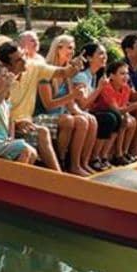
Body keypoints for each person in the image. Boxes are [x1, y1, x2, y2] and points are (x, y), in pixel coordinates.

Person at [0, 44, 62, 172]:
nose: (24, 60)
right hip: (7, 127)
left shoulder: (32, 67)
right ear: (8, 65)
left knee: (74, 121)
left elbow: (64, 72)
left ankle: (61, 172)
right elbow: (0, 110)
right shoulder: (1, 81)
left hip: (27, 120)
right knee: (42, 133)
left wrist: (74, 67)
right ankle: (58, 175)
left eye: (23, 56)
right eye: (18, 60)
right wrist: (16, 125)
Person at [45, 35, 99, 174]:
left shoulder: (68, 71)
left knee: (89, 119)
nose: (72, 51)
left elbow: (70, 102)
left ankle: (82, 163)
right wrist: (73, 97)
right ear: (58, 49)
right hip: (47, 112)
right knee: (74, 120)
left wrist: (80, 112)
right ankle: (66, 163)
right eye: (69, 48)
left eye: (73, 49)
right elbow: (48, 104)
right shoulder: (47, 70)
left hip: (62, 110)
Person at [0, 63, 37, 164]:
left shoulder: (5, 101)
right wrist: (7, 85)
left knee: (33, 153)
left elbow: (10, 121)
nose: (6, 78)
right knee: (24, 149)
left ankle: (16, 176)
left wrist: (11, 138)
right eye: (3, 76)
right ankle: (15, 178)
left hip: (3, 142)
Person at [94, 59, 137, 165]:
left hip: (115, 115)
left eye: (127, 74)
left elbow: (123, 105)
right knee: (122, 120)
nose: (126, 77)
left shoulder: (126, 88)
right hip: (102, 114)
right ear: (112, 76)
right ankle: (111, 155)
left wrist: (128, 113)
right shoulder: (107, 88)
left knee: (132, 121)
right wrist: (136, 105)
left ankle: (124, 152)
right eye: (122, 74)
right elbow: (116, 109)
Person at [72, 43, 115, 171]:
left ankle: (101, 156)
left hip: (87, 112)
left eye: (105, 54)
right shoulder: (81, 76)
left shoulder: (95, 76)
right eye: (100, 54)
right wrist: (100, 88)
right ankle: (90, 159)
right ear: (89, 58)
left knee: (115, 116)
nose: (104, 57)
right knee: (108, 119)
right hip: (77, 113)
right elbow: (83, 104)